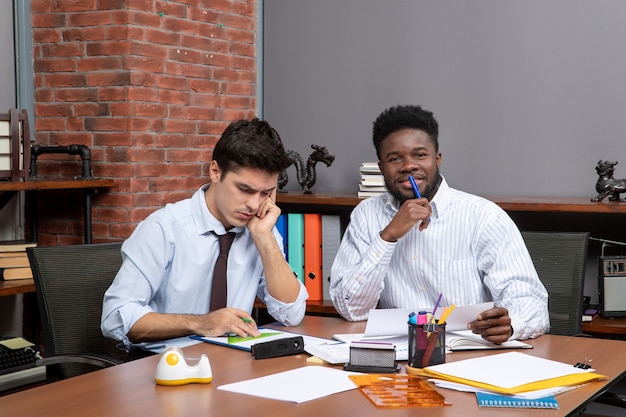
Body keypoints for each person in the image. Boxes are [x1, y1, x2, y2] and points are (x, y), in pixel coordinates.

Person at [330, 105, 549, 344]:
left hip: (471, 352)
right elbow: (352, 309)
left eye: (420, 155)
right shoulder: (366, 215)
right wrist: (389, 236)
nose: (408, 166)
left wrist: (511, 324)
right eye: (395, 158)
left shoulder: (483, 217)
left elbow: (531, 302)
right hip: (400, 357)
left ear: (438, 159)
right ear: (381, 167)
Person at [101, 118, 308, 351]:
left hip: (231, 365)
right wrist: (201, 323)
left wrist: (264, 237)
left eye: (265, 193)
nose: (253, 204)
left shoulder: (259, 227)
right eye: (244, 189)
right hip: (164, 366)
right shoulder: (164, 228)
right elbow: (116, 317)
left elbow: (292, 314)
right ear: (215, 172)